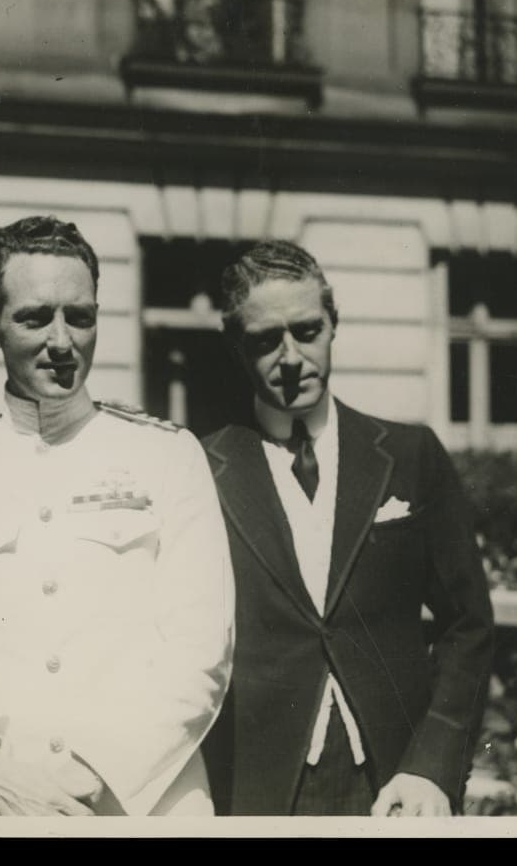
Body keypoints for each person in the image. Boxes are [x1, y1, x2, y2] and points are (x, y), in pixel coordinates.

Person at [0, 216, 234, 816]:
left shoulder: (167, 456)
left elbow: (201, 651)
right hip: (0, 805)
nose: (62, 342)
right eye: (35, 318)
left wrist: (94, 775)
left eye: (81, 317)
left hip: (144, 805)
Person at [200, 240, 495, 816]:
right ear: (236, 345)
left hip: (396, 787)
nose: (291, 358)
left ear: (333, 322)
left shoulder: (410, 455)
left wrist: (432, 767)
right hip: (256, 795)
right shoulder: (202, 470)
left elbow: (468, 624)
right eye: (266, 340)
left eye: (307, 331)